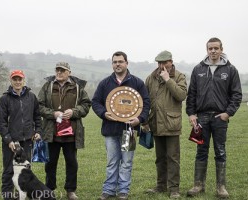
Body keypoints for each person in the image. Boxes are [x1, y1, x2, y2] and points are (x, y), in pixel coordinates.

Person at [186, 37, 242, 198]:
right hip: (201, 117)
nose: (213, 51)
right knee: (201, 150)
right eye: (210, 48)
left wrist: (228, 113)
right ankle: (198, 185)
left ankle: (221, 187)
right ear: (207, 50)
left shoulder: (230, 70)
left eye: (216, 48)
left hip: (220, 118)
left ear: (221, 49)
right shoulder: (198, 69)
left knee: (220, 151)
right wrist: (191, 113)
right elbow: (192, 94)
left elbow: (237, 95)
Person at [92, 51, 150, 200]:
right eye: (114, 62)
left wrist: (140, 119)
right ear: (112, 64)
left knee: (126, 162)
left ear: (126, 63)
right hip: (110, 130)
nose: (117, 64)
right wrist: (104, 113)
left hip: (129, 131)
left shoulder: (137, 83)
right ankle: (109, 190)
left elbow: (146, 103)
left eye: (120, 61)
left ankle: (123, 191)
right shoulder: (105, 83)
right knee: (112, 162)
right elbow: (95, 102)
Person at [37, 62, 91, 200]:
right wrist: (53, 114)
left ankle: (70, 190)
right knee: (50, 163)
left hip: (71, 132)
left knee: (72, 163)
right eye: (57, 70)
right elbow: (39, 106)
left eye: (63, 70)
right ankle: (49, 189)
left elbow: (86, 105)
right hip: (51, 132)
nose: (59, 73)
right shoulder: (47, 86)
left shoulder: (78, 88)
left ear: (69, 72)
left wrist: (74, 112)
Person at [143, 50, 187, 199]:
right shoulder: (151, 78)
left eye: (165, 62)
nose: (162, 65)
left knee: (173, 158)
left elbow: (181, 95)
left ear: (171, 61)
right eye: (159, 63)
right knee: (160, 158)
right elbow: (145, 100)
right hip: (155, 123)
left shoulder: (179, 76)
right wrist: (145, 121)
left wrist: (168, 79)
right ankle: (161, 186)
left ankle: (174, 189)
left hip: (171, 123)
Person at [0, 70, 42, 200]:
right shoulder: (5, 99)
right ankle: (8, 196)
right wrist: (8, 140)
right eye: (15, 79)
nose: (17, 82)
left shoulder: (31, 97)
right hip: (11, 142)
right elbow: (1, 122)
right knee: (9, 170)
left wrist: (38, 131)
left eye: (19, 79)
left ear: (23, 80)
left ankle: (22, 195)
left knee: (25, 171)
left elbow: (37, 117)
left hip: (27, 140)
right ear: (11, 81)